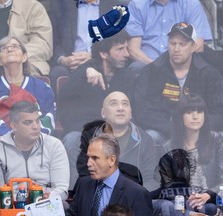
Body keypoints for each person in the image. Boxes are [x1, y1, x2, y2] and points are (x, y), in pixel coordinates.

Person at [57, 30, 137, 190]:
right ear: (103, 53)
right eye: (120, 49)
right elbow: (65, 108)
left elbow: (134, 111)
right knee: (72, 139)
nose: (127, 54)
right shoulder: (83, 74)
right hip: (88, 132)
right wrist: (84, 72)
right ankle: (75, 192)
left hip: (120, 131)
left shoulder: (128, 76)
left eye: (126, 48)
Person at [133, 22, 223, 145]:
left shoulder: (209, 73)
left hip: (200, 132)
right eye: (173, 43)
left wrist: (196, 128)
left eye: (182, 44)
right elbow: (142, 109)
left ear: (193, 46)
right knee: (150, 136)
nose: (176, 49)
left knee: (219, 136)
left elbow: (219, 112)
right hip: (164, 132)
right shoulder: (152, 71)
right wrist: (173, 128)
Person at [0, 100, 70, 201]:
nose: (36, 127)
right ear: (14, 126)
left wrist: (45, 199)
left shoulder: (54, 146)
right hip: (11, 205)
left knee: (63, 207)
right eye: (28, 122)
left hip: (46, 203)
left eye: (37, 121)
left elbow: (61, 189)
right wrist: (26, 201)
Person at [77, 91, 159, 192]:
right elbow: (82, 176)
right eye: (113, 104)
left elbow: (150, 180)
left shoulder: (145, 140)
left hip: (132, 200)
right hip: (98, 197)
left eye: (125, 104)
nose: (120, 108)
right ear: (103, 113)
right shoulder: (88, 138)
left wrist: (131, 196)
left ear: (131, 113)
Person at [0, 36, 55, 146]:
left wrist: (27, 137)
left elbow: (48, 120)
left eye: (15, 47)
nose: (10, 50)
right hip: (2, 142)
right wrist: (13, 137)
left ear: (24, 57)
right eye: (4, 48)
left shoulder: (43, 88)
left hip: (36, 142)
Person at [159, 94, 222, 215]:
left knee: (209, 208)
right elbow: (167, 188)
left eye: (200, 111)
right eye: (189, 112)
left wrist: (207, 195)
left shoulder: (217, 140)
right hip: (183, 206)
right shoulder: (167, 148)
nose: (195, 116)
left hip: (212, 202)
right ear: (180, 117)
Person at [65, 133, 153, 216]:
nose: (88, 163)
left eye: (95, 158)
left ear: (111, 160)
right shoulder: (83, 184)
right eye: (88, 157)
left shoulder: (137, 194)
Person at [49, 0, 124, 91]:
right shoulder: (61, 4)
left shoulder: (113, 6)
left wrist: (93, 55)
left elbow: (117, 39)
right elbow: (53, 40)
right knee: (57, 72)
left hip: (101, 60)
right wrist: (63, 59)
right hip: (70, 62)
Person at [125, 0, 212, 73]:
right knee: (136, 67)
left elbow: (197, 46)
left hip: (181, 66)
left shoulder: (191, 3)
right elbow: (133, 49)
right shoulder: (137, 5)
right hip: (147, 66)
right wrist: (155, 66)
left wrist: (175, 68)